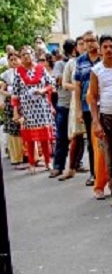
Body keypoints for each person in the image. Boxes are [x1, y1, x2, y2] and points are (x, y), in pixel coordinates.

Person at [88, 35, 112, 207]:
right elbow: (93, 97)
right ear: (101, 50)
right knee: (111, 158)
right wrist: (96, 122)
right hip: (107, 118)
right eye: (105, 47)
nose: (109, 50)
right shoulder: (96, 71)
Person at [11, 46, 55, 174]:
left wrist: (42, 90)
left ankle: (48, 162)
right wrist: (15, 111)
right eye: (23, 54)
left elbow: (52, 84)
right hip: (27, 109)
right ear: (20, 57)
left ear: (32, 55)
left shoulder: (41, 69)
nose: (26, 56)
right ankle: (31, 163)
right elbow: (15, 93)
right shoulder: (18, 72)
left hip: (41, 108)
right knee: (29, 138)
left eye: (28, 53)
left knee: (44, 137)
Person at [74, 31, 102, 187]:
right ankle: (94, 173)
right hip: (86, 107)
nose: (90, 43)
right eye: (86, 41)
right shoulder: (80, 61)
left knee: (106, 142)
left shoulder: (103, 58)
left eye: (92, 40)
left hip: (103, 106)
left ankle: (108, 174)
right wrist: (78, 109)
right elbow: (77, 87)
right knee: (91, 143)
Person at [58, 39, 85, 181]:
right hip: (77, 102)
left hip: (94, 103)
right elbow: (64, 83)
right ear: (76, 47)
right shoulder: (72, 63)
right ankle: (71, 168)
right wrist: (78, 87)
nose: (84, 46)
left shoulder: (97, 61)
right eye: (81, 44)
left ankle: (97, 175)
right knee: (76, 136)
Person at [49, 39, 75, 178]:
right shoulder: (60, 64)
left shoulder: (80, 62)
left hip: (76, 104)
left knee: (76, 136)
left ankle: (76, 164)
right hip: (64, 104)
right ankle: (58, 166)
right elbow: (59, 80)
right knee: (62, 137)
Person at [0, 53, 25, 168]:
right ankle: (16, 158)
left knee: (25, 128)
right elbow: (2, 90)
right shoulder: (6, 75)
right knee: (13, 131)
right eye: (11, 60)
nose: (13, 62)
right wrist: (11, 95)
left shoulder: (25, 71)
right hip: (11, 105)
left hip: (25, 103)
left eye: (16, 59)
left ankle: (28, 156)